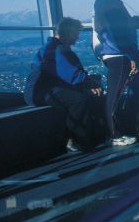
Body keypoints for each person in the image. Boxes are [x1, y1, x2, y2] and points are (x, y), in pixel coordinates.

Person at [24, 17, 106, 152]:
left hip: (40, 90)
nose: (77, 37)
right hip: (42, 92)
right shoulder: (59, 50)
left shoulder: (51, 48)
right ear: (69, 33)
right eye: (76, 33)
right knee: (78, 100)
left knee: (82, 95)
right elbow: (74, 76)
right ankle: (77, 140)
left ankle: (91, 134)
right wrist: (91, 84)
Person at [93, 0, 139, 146]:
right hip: (118, 54)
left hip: (120, 54)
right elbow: (116, 33)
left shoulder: (107, 1)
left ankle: (132, 128)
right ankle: (115, 134)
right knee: (116, 95)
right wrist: (130, 55)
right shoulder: (109, 4)